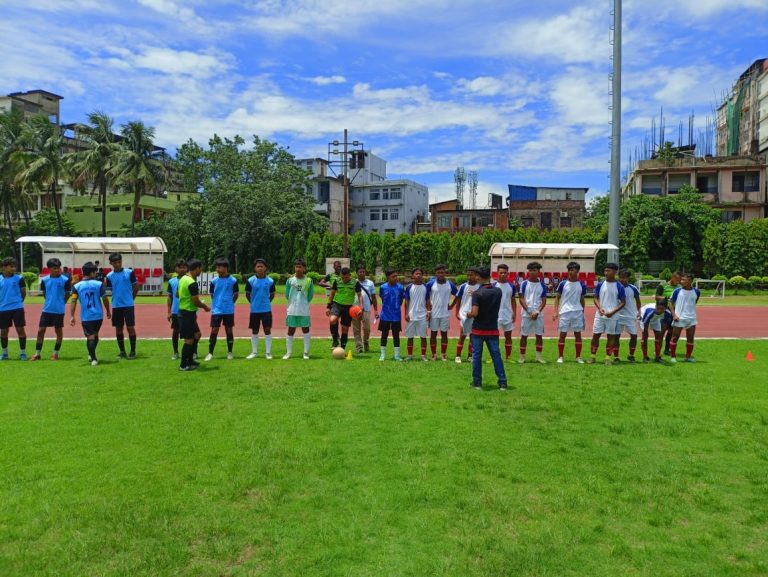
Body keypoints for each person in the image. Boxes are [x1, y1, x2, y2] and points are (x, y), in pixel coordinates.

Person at [466, 266, 508, 390]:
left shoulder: (477, 294)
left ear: (478, 277)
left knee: (477, 357)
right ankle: (502, 382)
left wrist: (467, 314)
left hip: (478, 329)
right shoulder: (498, 291)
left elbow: (474, 313)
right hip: (492, 328)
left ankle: (477, 382)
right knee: (496, 356)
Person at [70, 261, 111, 366]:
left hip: (86, 316)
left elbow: (73, 301)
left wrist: (72, 316)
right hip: (98, 315)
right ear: (92, 273)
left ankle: (93, 358)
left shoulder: (77, 286)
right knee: (95, 335)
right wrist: (108, 310)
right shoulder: (99, 284)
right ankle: (92, 355)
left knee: (91, 337)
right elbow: (105, 298)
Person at [31, 258, 72, 361]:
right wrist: (50, 301)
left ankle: (55, 354)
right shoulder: (44, 280)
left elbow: (67, 294)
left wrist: (61, 303)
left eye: (58, 268)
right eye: (54, 268)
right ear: (49, 269)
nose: (57, 270)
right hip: (46, 310)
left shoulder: (65, 280)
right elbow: (45, 294)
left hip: (59, 310)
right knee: (41, 331)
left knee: (58, 331)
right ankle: (37, 353)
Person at [588, 263, 626, 365]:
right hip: (600, 315)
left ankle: (607, 358)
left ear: (615, 272)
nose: (606, 273)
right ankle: (592, 357)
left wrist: (612, 312)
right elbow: (595, 297)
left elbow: (623, 302)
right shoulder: (600, 284)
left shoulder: (619, 286)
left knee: (611, 337)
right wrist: (600, 308)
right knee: (596, 335)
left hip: (612, 316)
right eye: (605, 271)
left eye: (608, 271)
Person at [177, 259, 210, 371]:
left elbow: (177, 293)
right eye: (201, 268)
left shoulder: (183, 279)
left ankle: (190, 360)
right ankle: (183, 365)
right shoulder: (192, 282)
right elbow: (196, 301)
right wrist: (205, 307)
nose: (201, 271)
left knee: (197, 334)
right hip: (187, 313)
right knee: (189, 340)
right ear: (197, 268)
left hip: (185, 312)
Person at [105, 252, 139, 359]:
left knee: (130, 327)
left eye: (119, 262)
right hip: (116, 306)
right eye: (115, 262)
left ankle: (133, 351)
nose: (117, 264)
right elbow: (110, 290)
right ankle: (122, 351)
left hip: (128, 305)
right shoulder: (109, 276)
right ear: (110, 263)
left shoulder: (129, 273)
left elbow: (136, 287)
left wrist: (131, 299)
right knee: (118, 329)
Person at [205, 257, 239, 361]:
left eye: (219, 267)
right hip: (216, 310)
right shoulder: (214, 281)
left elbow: (236, 294)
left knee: (229, 330)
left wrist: (229, 303)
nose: (217, 269)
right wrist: (217, 303)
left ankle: (230, 352)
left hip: (228, 310)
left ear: (226, 268)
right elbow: (212, 295)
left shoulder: (233, 280)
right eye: (217, 267)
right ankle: (210, 353)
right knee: (214, 330)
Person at [553, 261, 586, 364]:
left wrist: (582, 310)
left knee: (578, 334)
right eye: (570, 270)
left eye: (574, 270)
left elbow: (582, 299)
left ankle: (578, 357)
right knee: (562, 334)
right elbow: (557, 298)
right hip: (565, 312)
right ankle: (560, 357)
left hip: (577, 312)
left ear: (578, 271)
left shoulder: (581, 284)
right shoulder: (563, 284)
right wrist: (555, 311)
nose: (572, 272)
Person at [425, 264, 457, 361]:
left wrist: (451, 305)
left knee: (444, 334)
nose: (440, 274)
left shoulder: (450, 284)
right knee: (433, 334)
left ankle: (443, 354)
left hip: (445, 314)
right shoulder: (430, 284)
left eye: (442, 272)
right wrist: (428, 308)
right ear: (435, 273)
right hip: (434, 314)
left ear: (445, 273)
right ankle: (434, 354)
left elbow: (458, 295)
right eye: (438, 272)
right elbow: (425, 296)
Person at [284, 258, 314, 360]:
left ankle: (305, 353)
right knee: (291, 330)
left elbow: (310, 296)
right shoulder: (290, 280)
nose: (298, 269)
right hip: (292, 309)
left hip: (303, 309)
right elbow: (287, 294)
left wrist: (303, 302)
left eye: (300, 267)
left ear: (304, 268)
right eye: (296, 266)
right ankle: (288, 353)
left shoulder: (309, 281)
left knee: (305, 329)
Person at [245, 258, 276, 359]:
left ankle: (268, 353)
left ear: (265, 268)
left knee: (267, 330)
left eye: (261, 266)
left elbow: (272, 294)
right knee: (255, 330)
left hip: (266, 309)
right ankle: (254, 352)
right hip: (255, 310)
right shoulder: (250, 281)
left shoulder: (270, 281)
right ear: (255, 268)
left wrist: (265, 303)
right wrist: (254, 303)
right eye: (258, 266)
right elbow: (247, 294)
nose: (260, 268)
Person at [518, 261, 547, 364]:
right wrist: (530, 311)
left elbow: (544, 301)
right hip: (526, 314)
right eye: (530, 270)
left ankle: (538, 357)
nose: (532, 272)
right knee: (524, 335)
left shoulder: (542, 285)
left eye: (534, 270)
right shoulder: (524, 284)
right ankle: (522, 357)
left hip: (538, 315)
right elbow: (521, 299)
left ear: (538, 271)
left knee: (539, 335)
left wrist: (537, 312)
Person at [327, 266, 362, 350]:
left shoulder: (355, 282)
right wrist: (328, 306)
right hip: (337, 304)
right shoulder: (337, 281)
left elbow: (359, 295)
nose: (344, 279)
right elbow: (332, 294)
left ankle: (342, 348)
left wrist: (360, 307)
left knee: (345, 328)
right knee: (332, 320)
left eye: (346, 277)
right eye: (342, 277)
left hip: (348, 307)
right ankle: (335, 339)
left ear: (350, 275)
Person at [669, 272, 700, 363]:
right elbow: (670, 303)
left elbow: (695, 301)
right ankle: (673, 357)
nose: (681, 281)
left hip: (691, 318)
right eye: (681, 279)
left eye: (683, 280)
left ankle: (688, 357)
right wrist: (674, 315)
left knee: (690, 338)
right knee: (675, 337)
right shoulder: (677, 291)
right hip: (679, 318)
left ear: (690, 281)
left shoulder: (697, 291)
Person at [0, 256, 28, 360]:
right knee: (3, 331)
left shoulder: (19, 278)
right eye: (11, 267)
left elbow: (23, 293)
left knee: (20, 329)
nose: (14, 269)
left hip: (17, 308)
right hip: (2, 309)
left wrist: (18, 303)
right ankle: (5, 354)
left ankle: (23, 353)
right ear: (4, 267)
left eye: (15, 267)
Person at [378, 267, 405, 361]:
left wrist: (396, 307)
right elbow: (382, 298)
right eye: (393, 276)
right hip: (385, 315)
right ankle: (382, 355)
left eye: (396, 276)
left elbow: (401, 299)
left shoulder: (401, 287)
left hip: (396, 316)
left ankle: (397, 355)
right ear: (388, 277)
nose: (396, 278)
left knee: (396, 335)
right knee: (384, 334)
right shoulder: (382, 287)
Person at [454, 267, 480, 364]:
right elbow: (458, 299)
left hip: (475, 314)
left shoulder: (479, 287)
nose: (469, 277)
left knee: (473, 336)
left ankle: (470, 356)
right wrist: (457, 312)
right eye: (467, 275)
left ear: (476, 275)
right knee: (463, 335)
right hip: (464, 314)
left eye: (471, 275)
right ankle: (458, 356)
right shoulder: (463, 286)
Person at [492, 263, 517, 360]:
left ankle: (508, 357)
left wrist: (514, 313)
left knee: (508, 336)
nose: (503, 274)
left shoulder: (511, 286)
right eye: (501, 272)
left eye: (505, 273)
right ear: (497, 273)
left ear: (508, 274)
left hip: (508, 315)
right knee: (494, 338)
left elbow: (513, 300)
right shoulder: (493, 286)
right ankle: (495, 357)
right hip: (495, 316)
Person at [404, 267, 429, 361]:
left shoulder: (426, 287)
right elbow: (406, 301)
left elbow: (427, 300)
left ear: (422, 276)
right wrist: (406, 313)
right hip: (411, 316)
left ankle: (423, 356)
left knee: (423, 336)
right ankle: (409, 356)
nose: (418, 275)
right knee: (410, 337)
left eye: (420, 274)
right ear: (412, 276)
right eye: (416, 274)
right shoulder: (409, 287)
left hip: (422, 316)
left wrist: (429, 312)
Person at [616, 269, 642, 362]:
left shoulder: (633, 288)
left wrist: (639, 311)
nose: (622, 279)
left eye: (624, 277)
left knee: (634, 336)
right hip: (618, 315)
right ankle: (616, 357)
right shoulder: (616, 287)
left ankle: (631, 355)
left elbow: (638, 300)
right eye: (621, 277)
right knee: (616, 336)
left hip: (630, 316)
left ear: (628, 278)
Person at [352, 265, 377, 353]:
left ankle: (365, 341)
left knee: (367, 328)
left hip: (366, 309)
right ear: (356, 273)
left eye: (363, 272)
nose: (362, 273)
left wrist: (376, 310)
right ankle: (359, 347)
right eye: (360, 272)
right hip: (354, 309)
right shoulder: (353, 282)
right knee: (356, 329)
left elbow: (374, 297)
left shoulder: (370, 283)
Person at [656, 270, 682, 355]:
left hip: (674, 312)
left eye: (680, 280)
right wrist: (666, 298)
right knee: (661, 331)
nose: (678, 281)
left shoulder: (679, 287)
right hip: (663, 311)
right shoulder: (663, 285)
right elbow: (657, 297)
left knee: (671, 332)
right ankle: (657, 350)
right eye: (677, 279)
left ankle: (667, 350)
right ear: (673, 277)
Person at [166, 259, 188, 360]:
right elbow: (169, 297)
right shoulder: (172, 281)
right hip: (176, 310)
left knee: (189, 332)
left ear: (186, 268)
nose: (182, 269)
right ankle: (175, 352)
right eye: (180, 267)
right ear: (176, 269)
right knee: (176, 331)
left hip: (187, 310)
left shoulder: (189, 280)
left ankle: (191, 352)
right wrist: (168, 311)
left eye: (184, 267)